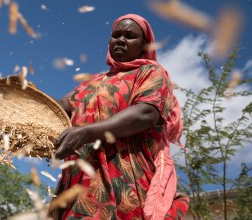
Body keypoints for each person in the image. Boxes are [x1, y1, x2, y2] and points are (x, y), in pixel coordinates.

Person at [49, 14, 190, 220]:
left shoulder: (150, 72)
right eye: (116, 35)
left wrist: (88, 132)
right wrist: (25, 91)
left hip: (124, 180)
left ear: (144, 45)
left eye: (130, 36)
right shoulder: (91, 83)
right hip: (79, 182)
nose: (121, 40)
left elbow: (146, 113)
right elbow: (57, 109)